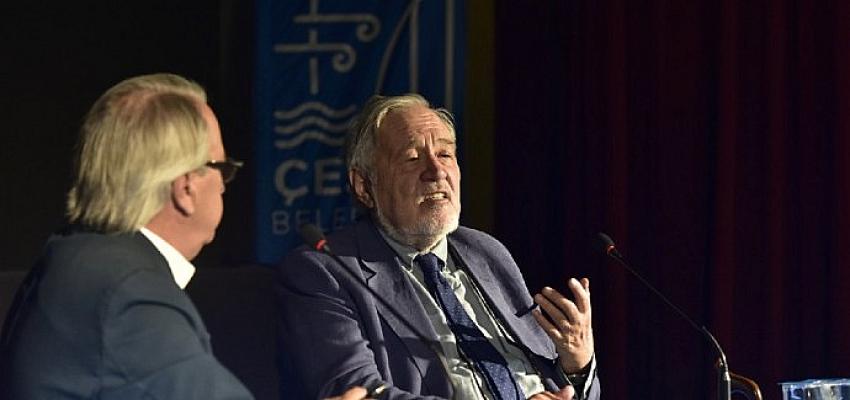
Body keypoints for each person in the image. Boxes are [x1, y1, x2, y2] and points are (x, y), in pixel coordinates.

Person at [276, 94, 600, 399]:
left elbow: (557, 383)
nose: (436, 171)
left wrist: (577, 367)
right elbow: (360, 392)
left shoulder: (485, 251)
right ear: (364, 186)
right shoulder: (324, 271)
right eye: (412, 158)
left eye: (445, 154)